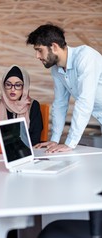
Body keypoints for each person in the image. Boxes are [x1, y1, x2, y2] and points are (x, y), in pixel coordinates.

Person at [26, 23, 102, 153]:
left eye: (39, 50)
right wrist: (55, 139)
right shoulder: (56, 70)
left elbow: (84, 102)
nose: (37, 56)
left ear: (54, 47)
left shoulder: (85, 57)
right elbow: (60, 103)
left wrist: (70, 143)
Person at [0, 64, 43, 146]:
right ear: (3, 86)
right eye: (8, 84)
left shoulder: (33, 105)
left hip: (28, 152)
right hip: (1, 153)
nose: (12, 89)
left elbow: (35, 137)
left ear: (25, 86)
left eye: (18, 85)